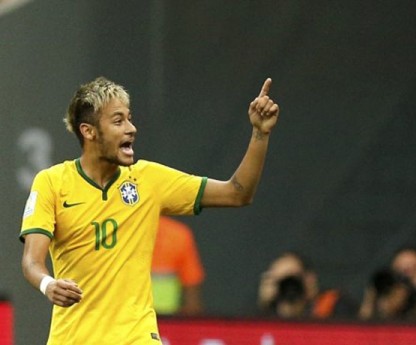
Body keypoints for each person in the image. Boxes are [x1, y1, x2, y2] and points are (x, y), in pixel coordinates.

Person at [19, 76, 279, 344]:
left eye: (130, 118)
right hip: (73, 339)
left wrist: (260, 133)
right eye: (118, 121)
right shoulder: (52, 182)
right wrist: (47, 284)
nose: (131, 128)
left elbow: (237, 193)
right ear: (89, 131)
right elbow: (31, 262)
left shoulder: (148, 179)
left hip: (138, 337)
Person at [152, 216, 204, 316]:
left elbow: (191, 281)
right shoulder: (178, 233)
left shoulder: (178, 234)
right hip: (166, 320)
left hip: (167, 320)